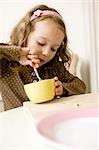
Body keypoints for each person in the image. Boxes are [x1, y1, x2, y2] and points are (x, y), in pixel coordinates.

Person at [0, 4, 86, 111]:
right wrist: (19, 53)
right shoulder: (6, 63)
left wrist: (62, 89)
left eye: (53, 49)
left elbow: (80, 86)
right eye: (41, 43)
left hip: (48, 120)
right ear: (25, 34)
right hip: (17, 124)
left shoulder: (54, 67)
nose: (46, 52)